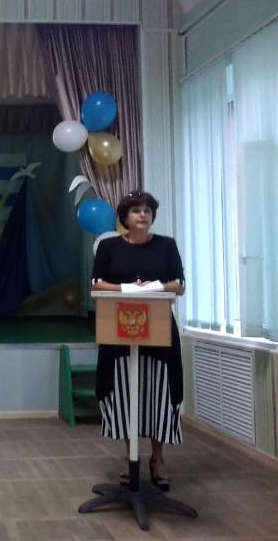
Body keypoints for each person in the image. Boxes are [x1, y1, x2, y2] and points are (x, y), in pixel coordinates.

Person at [91, 190, 185, 492]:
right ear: (124, 218)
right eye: (135, 211)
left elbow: (178, 285)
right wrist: (130, 289)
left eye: (147, 210)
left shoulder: (166, 245)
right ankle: (129, 457)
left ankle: (158, 458)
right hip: (119, 331)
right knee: (124, 392)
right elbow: (97, 283)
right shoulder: (109, 247)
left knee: (159, 393)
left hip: (158, 331)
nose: (142, 215)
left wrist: (153, 288)